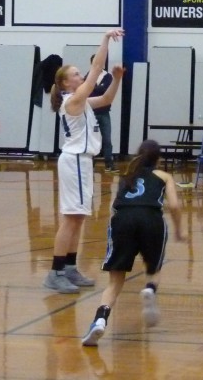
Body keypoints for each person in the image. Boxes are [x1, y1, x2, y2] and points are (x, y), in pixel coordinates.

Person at [43, 29, 124, 294]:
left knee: (78, 219)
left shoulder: (82, 101)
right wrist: (105, 39)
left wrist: (117, 79)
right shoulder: (73, 100)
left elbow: (108, 99)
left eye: (81, 73)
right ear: (66, 83)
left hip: (83, 162)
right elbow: (97, 66)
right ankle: (55, 273)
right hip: (74, 161)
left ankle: (68, 268)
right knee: (70, 219)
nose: (81, 76)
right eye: (76, 74)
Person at [81, 139, 183, 347]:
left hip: (122, 220)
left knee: (115, 281)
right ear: (158, 159)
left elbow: (114, 205)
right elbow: (174, 205)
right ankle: (150, 290)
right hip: (150, 219)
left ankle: (99, 320)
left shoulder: (126, 176)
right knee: (154, 269)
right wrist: (181, 229)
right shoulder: (164, 176)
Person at [86, 55, 115, 172]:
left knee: (107, 139)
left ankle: (109, 164)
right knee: (91, 139)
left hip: (104, 113)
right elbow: (87, 91)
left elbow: (104, 91)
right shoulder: (88, 76)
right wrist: (98, 89)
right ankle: (90, 164)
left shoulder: (108, 76)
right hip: (91, 113)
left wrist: (95, 89)